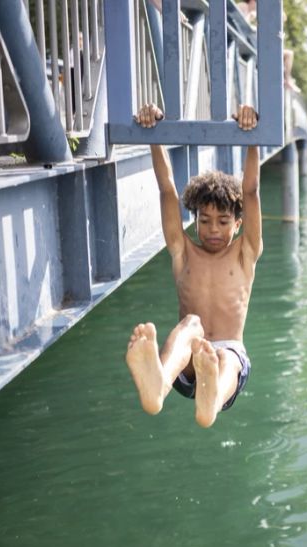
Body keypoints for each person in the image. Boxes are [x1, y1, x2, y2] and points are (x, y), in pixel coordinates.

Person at [125, 102, 262, 428]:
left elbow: (251, 190)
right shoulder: (182, 252)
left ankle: (210, 401)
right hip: (186, 366)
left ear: (238, 224)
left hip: (227, 362)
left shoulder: (246, 252)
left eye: (223, 221)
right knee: (191, 324)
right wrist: (154, 136)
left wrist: (252, 136)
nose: (213, 230)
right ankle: (159, 381)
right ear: (195, 219)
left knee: (226, 357)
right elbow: (167, 190)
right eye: (205, 220)